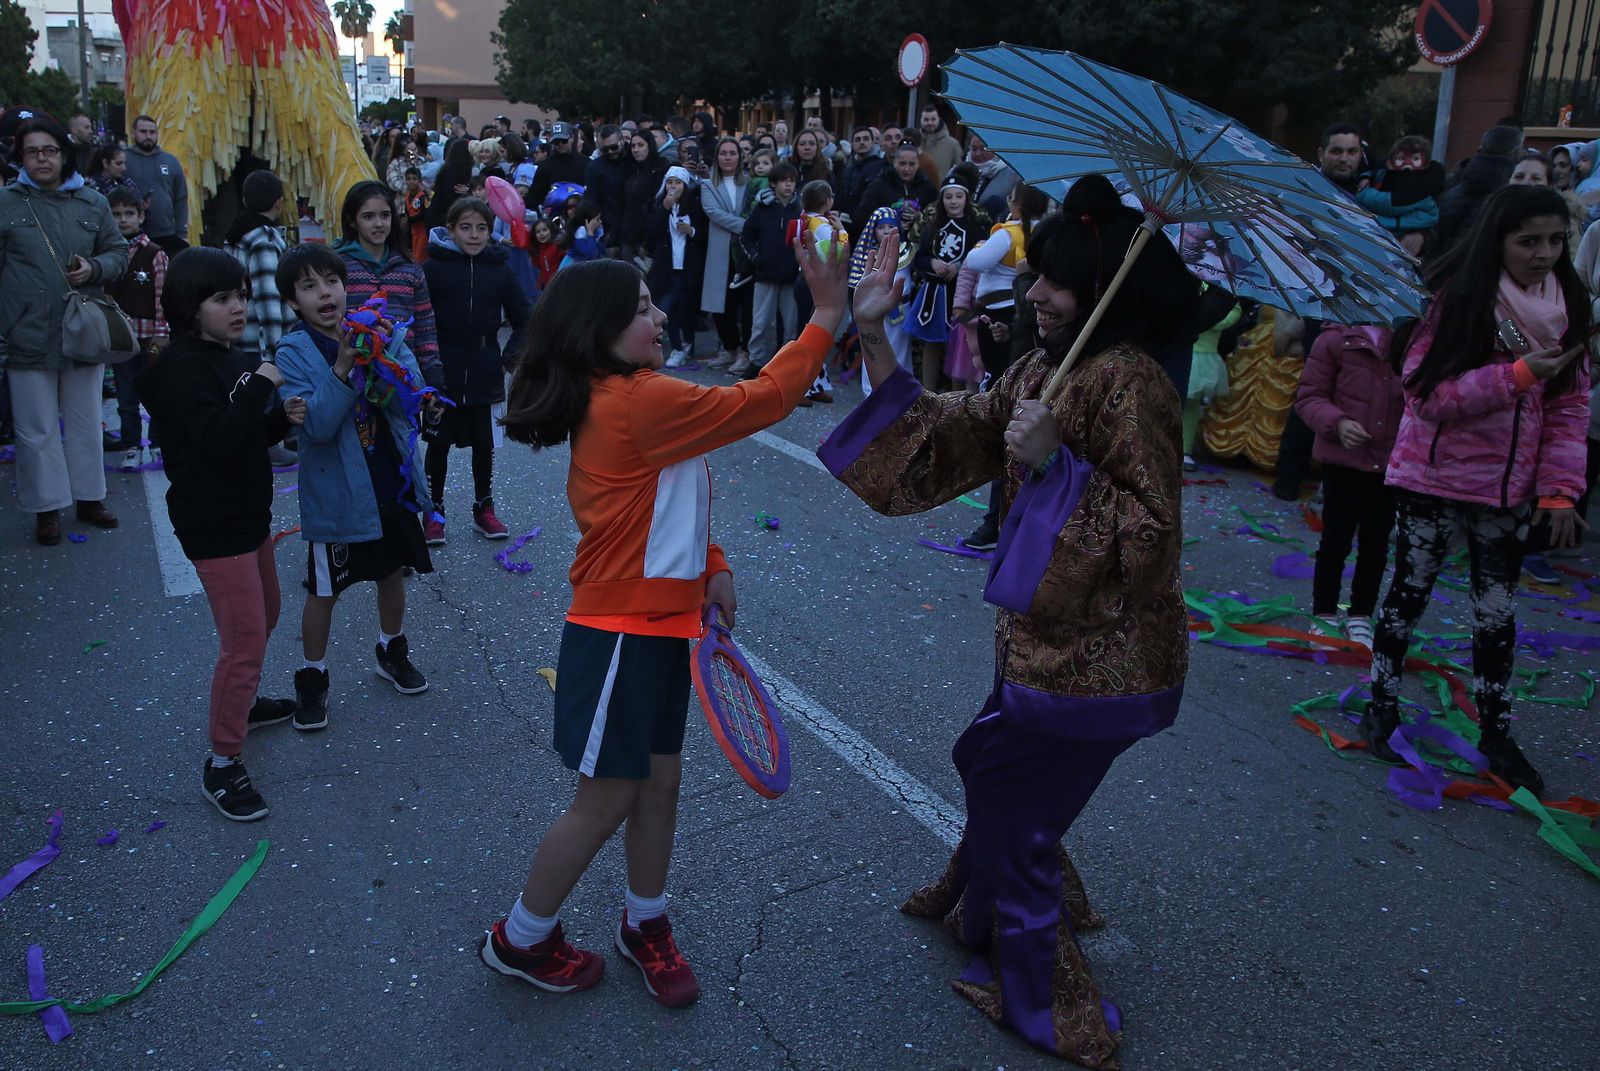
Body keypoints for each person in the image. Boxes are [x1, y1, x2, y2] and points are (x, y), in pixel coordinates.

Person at [817, 174, 1194, 1066]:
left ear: (1105, 290)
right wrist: (871, 332)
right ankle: (983, 908)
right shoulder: (1038, 368)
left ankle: (1050, 1004)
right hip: (1039, 644)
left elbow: (1153, 541)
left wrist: (1058, 465)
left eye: (1055, 282)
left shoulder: (1133, 383)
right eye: (1037, 278)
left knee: (1017, 814)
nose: (1035, 295)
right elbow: (945, 435)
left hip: (1105, 659)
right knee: (984, 761)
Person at [479, 234, 845, 1006]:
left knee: (661, 784)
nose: (656, 315)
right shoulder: (637, 399)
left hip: (661, 625)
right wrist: (827, 314)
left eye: (652, 302)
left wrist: (712, 564)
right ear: (596, 331)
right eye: (638, 308)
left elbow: (672, 493)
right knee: (606, 798)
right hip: (619, 632)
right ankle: (519, 936)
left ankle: (645, 921)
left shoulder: (642, 391)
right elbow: (763, 400)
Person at [1363, 184, 1591, 796]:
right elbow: (1426, 396)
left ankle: (1496, 733)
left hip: (1506, 490)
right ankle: (1380, 704)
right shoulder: (1456, 300)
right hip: (1433, 479)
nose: (1543, 253)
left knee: (1497, 616)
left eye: (1555, 239)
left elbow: (1569, 407)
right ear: (1498, 240)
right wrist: (1514, 376)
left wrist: (1560, 491)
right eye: (1529, 241)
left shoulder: (1569, 300)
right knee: (1407, 596)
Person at [134, 247, 304, 820]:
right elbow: (216, 438)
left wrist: (282, 417)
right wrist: (261, 389)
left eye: (240, 296)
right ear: (188, 308)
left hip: (246, 515)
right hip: (214, 525)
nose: (238, 308)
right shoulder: (184, 368)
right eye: (221, 299)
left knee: (269, 613)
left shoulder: (230, 356)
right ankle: (223, 761)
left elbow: (248, 437)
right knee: (245, 641)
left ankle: (246, 703)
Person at [272, 244, 436, 727]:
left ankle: (391, 650)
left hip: (388, 481)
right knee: (325, 591)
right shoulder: (293, 351)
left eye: (331, 281)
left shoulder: (374, 329)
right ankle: (313, 678)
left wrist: (390, 355)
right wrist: (343, 366)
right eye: (309, 286)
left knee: (391, 573)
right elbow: (317, 427)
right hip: (338, 497)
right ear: (292, 302)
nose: (325, 293)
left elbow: (409, 394)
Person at [0, 113, 130, 545]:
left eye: (49, 150)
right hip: (26, 332)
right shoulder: (8, 203)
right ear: (22, 156)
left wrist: (94, 267)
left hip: (82, 329)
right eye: (32, 151)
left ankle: (90, 498)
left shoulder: (91, 202)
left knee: (86, 421)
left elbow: (119, 252)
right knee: (35, 429)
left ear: (64, 154)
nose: (42, 159)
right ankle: (47, 509)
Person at [422, 197, 531, 543]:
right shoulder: (433, 269)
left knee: (485, 444)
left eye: (481, 228)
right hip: (443, 371)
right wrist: (425, 366)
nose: (473, 235)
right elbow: (419, 319)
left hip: (486, 370)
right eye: (465, 228)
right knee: (438, 446)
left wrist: (507, 361)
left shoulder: (498, 268)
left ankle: (484, 508)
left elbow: (525, 318)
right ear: (451, 229)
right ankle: (433, 510)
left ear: (489, 231)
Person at [1292, 323, 1402, 649]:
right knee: (1334, 543)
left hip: (1391, 462)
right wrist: (1336, 422)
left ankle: (1360, 616)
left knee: (1376, 545)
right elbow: (1310, 395)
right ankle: (1324, 614)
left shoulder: (1412, 342)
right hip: (1344, 461)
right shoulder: (1336, 339)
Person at [959, 184, 1052, 550]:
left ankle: (1013, 524)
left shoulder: (1014, 238)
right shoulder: (1027, 277)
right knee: (1011, 425)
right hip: (1019, 347)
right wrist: (1011, 329)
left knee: (1020, 431)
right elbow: (1027, 310)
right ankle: (999, 521)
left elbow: (977, 263)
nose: (1035, 290)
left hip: (1043, 358)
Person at [334, 180, 443, 394]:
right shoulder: (338, 266)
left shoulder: (410, 268)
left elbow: (424, 327)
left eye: (385, 215)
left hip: (402, 379)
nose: (378, 223)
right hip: (353, 380)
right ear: (353, 221)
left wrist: (434, 377)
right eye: (368, 216)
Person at [103, 187, 171, 471]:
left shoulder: (154, 254)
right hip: (121, 337)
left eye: (129, 213)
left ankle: (157, 442)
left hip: (149, 337)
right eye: (116, 214)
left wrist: (162, 331)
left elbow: (162, 296)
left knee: (156, 391)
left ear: (141, 216)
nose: (122, 220)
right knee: (126, 395)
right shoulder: (106, 254)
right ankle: (131, 445)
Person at [908, 175, 984, 391]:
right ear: (941, 200)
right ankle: (928, 391)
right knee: (931, 345)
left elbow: (979, 259)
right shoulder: (932, 227)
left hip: (961, 295)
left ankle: (955, 396)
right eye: (948, 196)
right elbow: (919, 258)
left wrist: (959, 266)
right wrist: (932, 262)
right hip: (933, 294)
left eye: (959, 196)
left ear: (966, 199)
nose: (953, 201)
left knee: (959, 345)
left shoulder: (975, 230)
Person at [741, 161, 803, 377]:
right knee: (760, 322)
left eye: (792, 181)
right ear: (774, 183)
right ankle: (756, 361)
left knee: (790, 325)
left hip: (791, 274)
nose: (788, 185)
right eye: (784, 181)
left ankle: (784, 363)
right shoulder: (762, 208)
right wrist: (756, 257)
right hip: (765, 273)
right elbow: (746, 235)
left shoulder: (800, 210)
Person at [646, 166, 708, 368]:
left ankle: (687, 345)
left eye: (678, 182)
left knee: (686, 309)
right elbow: (650, 235)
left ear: (685, 185)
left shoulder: (695, 206)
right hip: (667, 267)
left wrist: (691, 231)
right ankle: (677, 347)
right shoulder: (659, 204)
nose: (673, 186)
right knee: (667, 309)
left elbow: (705, 235)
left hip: (688, 266)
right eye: (670, 182)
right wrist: (664, 209)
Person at [700, 137, 751, 371]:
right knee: (722, 304)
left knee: (747, 303)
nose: (728, 157)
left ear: (740, 157)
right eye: (724, 153)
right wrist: (746, 225)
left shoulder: (749, 183)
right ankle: (729, 349)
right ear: (717, 157)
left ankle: (745, 351)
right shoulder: (707, 184)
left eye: (733, 153)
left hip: (746, 252)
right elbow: (714, 213)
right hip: (720, 251)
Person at [1435, 124, 1523, 253]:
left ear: (1481, 149)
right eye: (1522, 149)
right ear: (1515, 152)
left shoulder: (1452, 183)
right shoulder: (1511, 196)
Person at [1356, 135, 1445, 259]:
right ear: (1391, 163)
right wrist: (1366, 176)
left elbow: (1392, 205)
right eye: (1402, 158)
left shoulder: (1424, 186)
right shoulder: (1381, 176)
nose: (1408, 164)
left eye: (1415, 158)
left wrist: (1364, 193)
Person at [124, 114, 190, 252]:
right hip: (133, 236)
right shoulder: (123, 160)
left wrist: (182, 233)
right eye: (143, 131)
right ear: (133, 133)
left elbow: (181, 199)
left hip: (168, 234)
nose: (148, 136)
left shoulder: (170, 161)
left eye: (152, 132)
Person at [859, 143, 938, 227]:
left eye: (912, 164)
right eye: (902, 164)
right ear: (894, 163)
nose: (907, 169)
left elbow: (937, 218)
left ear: (918, 164)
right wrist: (890, 224)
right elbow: (863, 217)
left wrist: (920, 218)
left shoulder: (928, 189)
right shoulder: (878, 186)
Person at [620, 129, 669, 263]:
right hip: (628, 235)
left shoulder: (660, 169)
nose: (636, 150)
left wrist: (647, 241)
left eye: (640, 145)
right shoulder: (630, 170)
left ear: (650, 146)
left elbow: (657, 206)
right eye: (633, 146)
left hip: (650, 236)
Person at [584, 124, 628, 258]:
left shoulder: (633, 162)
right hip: (609, 228)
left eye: (614, 147)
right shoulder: (594, 168)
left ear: (622, 141)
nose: (610, 152)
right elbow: (592, 201)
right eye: (605, 149)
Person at [527, 122, 587, 215]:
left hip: (581, 215)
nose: (560, 144)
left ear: (571, 138)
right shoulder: (546, 165)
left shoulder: (586, 163)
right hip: (554, 217)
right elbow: (535, 195)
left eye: (563, 141)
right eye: (556, 141)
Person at [836, 125, 887, 228]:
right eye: (858, 139)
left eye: (866, 139)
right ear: (853, 144)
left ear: (873, 142)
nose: (862, 142)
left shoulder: (880, 167)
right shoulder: (848, 168)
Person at [917, 103, 962, 178]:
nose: (929, 123)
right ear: (921, 120)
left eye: (933, 119)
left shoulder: (953, 144)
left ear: (938, 119)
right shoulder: (915, 142)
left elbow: (959, 172)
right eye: (926, 119)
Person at [403, 167, 431, 262]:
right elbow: (407, 210)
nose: (411, 182)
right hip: (413, 230)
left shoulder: (423, 196)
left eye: (414, 179)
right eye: (408, 179)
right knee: (414, 255)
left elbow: (425, 214)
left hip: (422, 231)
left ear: (419, 180)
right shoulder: (407, 196)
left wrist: (409, 220)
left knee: (420, 257)